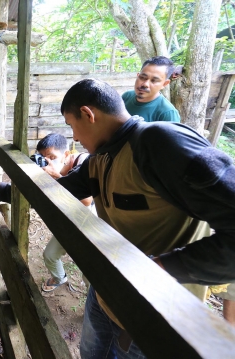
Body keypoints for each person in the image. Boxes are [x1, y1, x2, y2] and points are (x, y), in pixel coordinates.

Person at [54, 78, 235, 358]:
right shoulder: (99, 158)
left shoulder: (159, 143)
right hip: (105, 293)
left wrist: (155, 269)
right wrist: (0, 187)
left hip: (157, 312)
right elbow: (60, 190)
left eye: (72, 126)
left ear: (88, 115)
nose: (74, 138)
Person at [0, 133, 93, 292]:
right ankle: (59, 278)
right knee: (49, 255)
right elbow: (26, 194)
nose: (47, 161)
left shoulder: (84, 163)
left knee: (90, 272)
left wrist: (56, 176)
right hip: (67, 224)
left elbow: (86, 200)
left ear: (66, 155)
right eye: (43, 157)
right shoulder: (44, 174)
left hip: (89, 226)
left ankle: (96, 300)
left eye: (52, 156)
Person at [122, 56, 180, 123]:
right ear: (138, 76)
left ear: (164, 84)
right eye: (142, 77)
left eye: (154, 80)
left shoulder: (168, 113)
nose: (145, 84)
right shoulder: (126, 96)